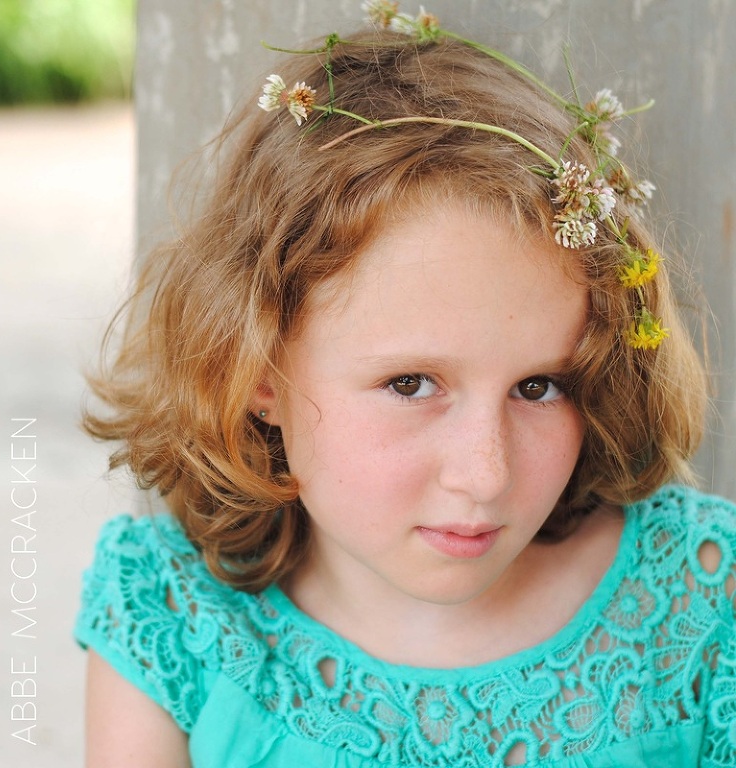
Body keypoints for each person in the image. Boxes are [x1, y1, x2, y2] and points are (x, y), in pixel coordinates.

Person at [75, 4, 736, 766]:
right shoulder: (171, 617)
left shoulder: (701, 602)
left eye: (539, 387)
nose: (485, 474)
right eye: (412, 383)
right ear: (258, 370)